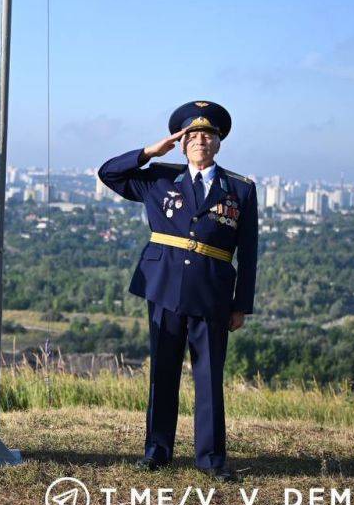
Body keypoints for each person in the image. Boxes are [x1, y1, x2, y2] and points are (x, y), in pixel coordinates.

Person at [98, 101, 257, 482]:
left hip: (213, 293)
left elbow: (248, 253)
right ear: (181, 143)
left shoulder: (240, 189)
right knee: (163, 372)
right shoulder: (158, 178)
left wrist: (242, 305)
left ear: (219, 144)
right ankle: (157, 451)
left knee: (208, 376)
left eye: (208, 135)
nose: (201, 140)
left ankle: (211, 459)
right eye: (192, 136)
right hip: (165, 286)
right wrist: (149, 152)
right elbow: (108, 173)